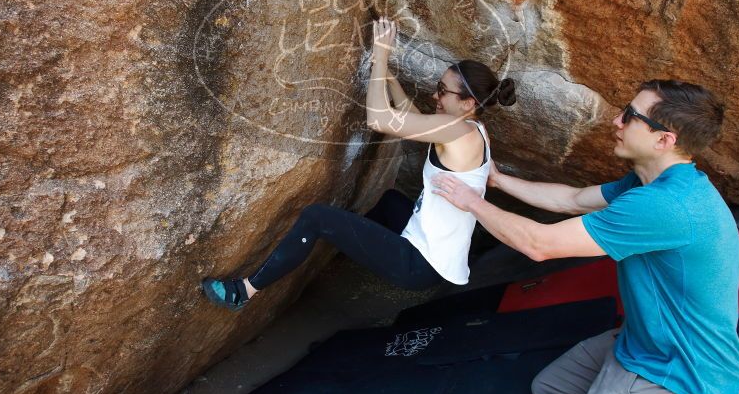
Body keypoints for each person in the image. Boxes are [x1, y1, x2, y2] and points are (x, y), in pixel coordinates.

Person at [431, 80, 739, 394]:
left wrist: (471, 202)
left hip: (686, 376)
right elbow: (572, 200)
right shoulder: (651, 181)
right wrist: (499, 180)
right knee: (548, 392)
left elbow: (539, 245)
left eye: (630, 116)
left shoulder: (666, 206)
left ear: (663, 139)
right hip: (642, 341)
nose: (616, 122)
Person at [201, 17, 516, 310]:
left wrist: (380, 56)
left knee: (316, 216)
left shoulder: (457, 130)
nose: (436, 96)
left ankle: (244, 291)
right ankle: (352, 243)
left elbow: (379, 119)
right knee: (390, 201)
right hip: (434, 253)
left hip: (420, 264)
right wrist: (389, 75)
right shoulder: (473, 129)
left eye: (443, 92)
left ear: (467, 103)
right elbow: (416, 120)